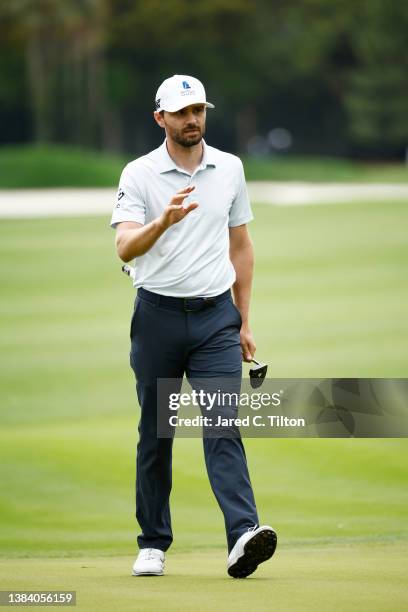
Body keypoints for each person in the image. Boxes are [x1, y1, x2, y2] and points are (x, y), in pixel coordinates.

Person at [110, 74, 277, 578]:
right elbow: (124, 248)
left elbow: (241, 245)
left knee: (223, 426)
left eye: (199, 110)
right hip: (158, 318)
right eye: (182, 112)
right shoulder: (138, 174)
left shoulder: (229, 167)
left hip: (215, 324)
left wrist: (244, 320)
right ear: (160, 118)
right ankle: (153, 542)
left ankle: (243, 534)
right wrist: (163, 222)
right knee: (155, 434)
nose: (193, 120)